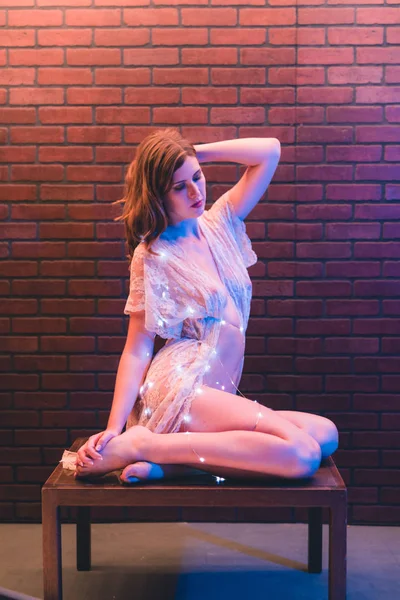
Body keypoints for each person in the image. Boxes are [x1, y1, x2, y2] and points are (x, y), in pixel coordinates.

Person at [75, 128, 339, 483]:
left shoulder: (221, 223)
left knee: (325, 434)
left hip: (218, 394)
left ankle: (167, 463)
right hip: (184, 387)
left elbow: (269, 151)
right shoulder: (153, 254)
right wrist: (114, 427)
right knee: (302, 454)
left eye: (197, 177)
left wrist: (188, 153)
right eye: (179, 186)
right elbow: (137, 348)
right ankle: (140, 444)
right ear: (158, 194)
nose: (196, 192)